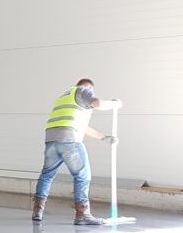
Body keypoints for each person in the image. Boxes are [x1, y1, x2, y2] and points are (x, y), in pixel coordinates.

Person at [32, 79, 121, 225]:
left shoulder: (63, 98)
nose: (92, 93)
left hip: (51, 141)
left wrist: (104, 137)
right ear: (88, 87)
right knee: (82, 177)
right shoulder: (81, 91)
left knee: (47, 175)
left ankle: (37, 211)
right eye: (92, 90)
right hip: (70, 141)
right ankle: (82, 215)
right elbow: (98, 103)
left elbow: (82, 127)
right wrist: (114, 104)